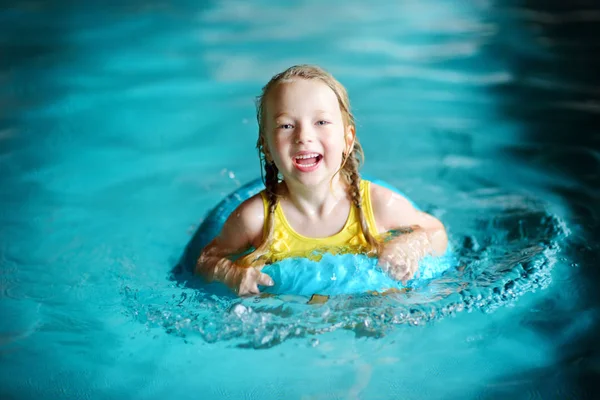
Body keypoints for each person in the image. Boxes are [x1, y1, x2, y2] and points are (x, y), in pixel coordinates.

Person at [196, 65, 448, 296]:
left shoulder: (380, 206)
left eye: (321, 122)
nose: (304, 136)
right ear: (267, 148)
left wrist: (411, 243)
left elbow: (436, 233)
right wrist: (230, 273)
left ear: (347, 140)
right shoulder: (255, 219)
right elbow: (206, 261)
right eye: (285, 126)